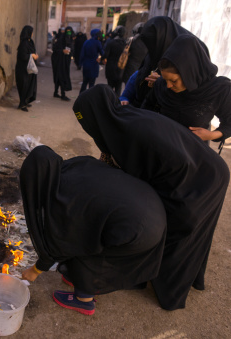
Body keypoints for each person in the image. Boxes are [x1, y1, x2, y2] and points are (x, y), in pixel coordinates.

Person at [73, 85, 230, 311]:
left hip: (203, 178)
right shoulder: (118, 123)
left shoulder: (131, 131)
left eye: (86, 120)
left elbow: (135, 182)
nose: (86, 126)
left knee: (177, 230)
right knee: (155, 225)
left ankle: (170, 293)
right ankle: (142, 275)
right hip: (188, 171)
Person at [20, 146, 166, 316]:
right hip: (152, 207)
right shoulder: (76, 165)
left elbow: (61, 244)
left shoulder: (66, 199)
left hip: (139, 230)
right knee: (88, 230)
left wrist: (35, 271)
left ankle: (84, 300)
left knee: (84, 244)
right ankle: (76, 277)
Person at [142, 34, 231, 144]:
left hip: (192, 155)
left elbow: (229, 122)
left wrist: (211, 135)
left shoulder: (218, 90)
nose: (168, 86)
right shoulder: (161, 85)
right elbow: (146, 108)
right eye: (166, 80)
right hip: (161, 149)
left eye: (174, 81)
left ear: (190, 74)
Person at [134, 16, 209, 107]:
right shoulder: (155, 51)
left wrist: (162, 83)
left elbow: (197, 89)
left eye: (153, 43)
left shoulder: (193, 50)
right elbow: (140, 75)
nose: (151, 49)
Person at [15, 25, 39, 112]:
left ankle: (25, 101)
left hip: (29, 69)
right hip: (23, 70)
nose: (32, 34)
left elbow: (33, 51)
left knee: (29, 86)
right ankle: (21, 104)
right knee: (23, 86)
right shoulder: (24, 43)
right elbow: (23, 56)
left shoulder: (30, 42)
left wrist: (35, 55)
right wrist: (32, 55)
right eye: (31, 32)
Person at [51, 27, 74, 101]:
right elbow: (54, 49)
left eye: (70, 32)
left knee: (60, 76)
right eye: (67, 32)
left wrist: (69, 52)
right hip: (58, 61)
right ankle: (63, 94)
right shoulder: (61, 40)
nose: (68, 33)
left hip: (65, 60)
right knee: (61, 76)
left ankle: (56, 92)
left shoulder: (70, 40)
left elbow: (71, 49)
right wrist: (62, 51)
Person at [79, 29, 105, 94]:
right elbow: (102, 53)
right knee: (91, 83)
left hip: (86, 65)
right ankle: (89, 98)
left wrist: (80, 63)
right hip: (94, 65)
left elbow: (82, 54)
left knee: (84, 82)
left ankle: (81, 96)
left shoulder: (86, 42)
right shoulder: (97, 42)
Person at [103, 26, 126, 96]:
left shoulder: (111, 43)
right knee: (118, 88)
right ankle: (117, 104)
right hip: (121, 68)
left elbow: (105, 55)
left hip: (111, 68)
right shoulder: (126, 44)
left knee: (110, 87)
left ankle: (109, 103)